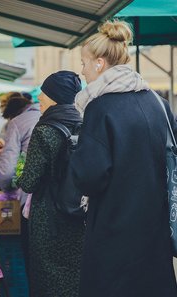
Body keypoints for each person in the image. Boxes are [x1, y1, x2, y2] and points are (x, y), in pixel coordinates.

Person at [71, 20, 177, 297]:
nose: (81, 71)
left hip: (114, 227)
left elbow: (89, 176)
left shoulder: (99, 108)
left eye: (84, 63)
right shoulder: (159, 103)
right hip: (156, 227)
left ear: (100, 63)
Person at [18, 71, 85, 297]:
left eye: (43, 93)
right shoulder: (86, 123)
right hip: (80, 214)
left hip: (49, 219)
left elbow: (29, 181)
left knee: (47, 278)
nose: (39, 98)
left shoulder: (45, 129)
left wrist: (20, 174)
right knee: (76, 275)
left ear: (55, 96)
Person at [0, 92, 40, 285]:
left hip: (28, 199)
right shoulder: (47, 116)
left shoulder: (17, 123)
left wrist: (4, 188)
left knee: (29, 250)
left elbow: (7, 171)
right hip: (62, 200)